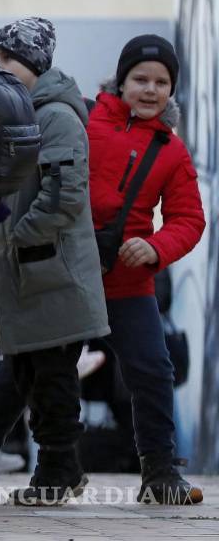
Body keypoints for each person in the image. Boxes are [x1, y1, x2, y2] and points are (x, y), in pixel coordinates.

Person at [0, 17, 111, 505]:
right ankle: (51, 468)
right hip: (27, 275)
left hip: (53, 275)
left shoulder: (56, 116)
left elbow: (63, 195)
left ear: (33, 64)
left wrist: (13, 240)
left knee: (52, 378)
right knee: (28, 377)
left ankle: (55, 472)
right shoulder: (16, 113)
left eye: (8, 59)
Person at [87, 35, 205, 505]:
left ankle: (160, 475)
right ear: (121, 82)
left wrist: (155, 248)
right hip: (70, 278)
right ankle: (7, 463)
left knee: (154, 370)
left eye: (162, 82)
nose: (151, 90)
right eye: (141, 79)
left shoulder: (172, 151)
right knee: (30, 371)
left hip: (129, 281)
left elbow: (190, 220)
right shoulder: (86, 122)